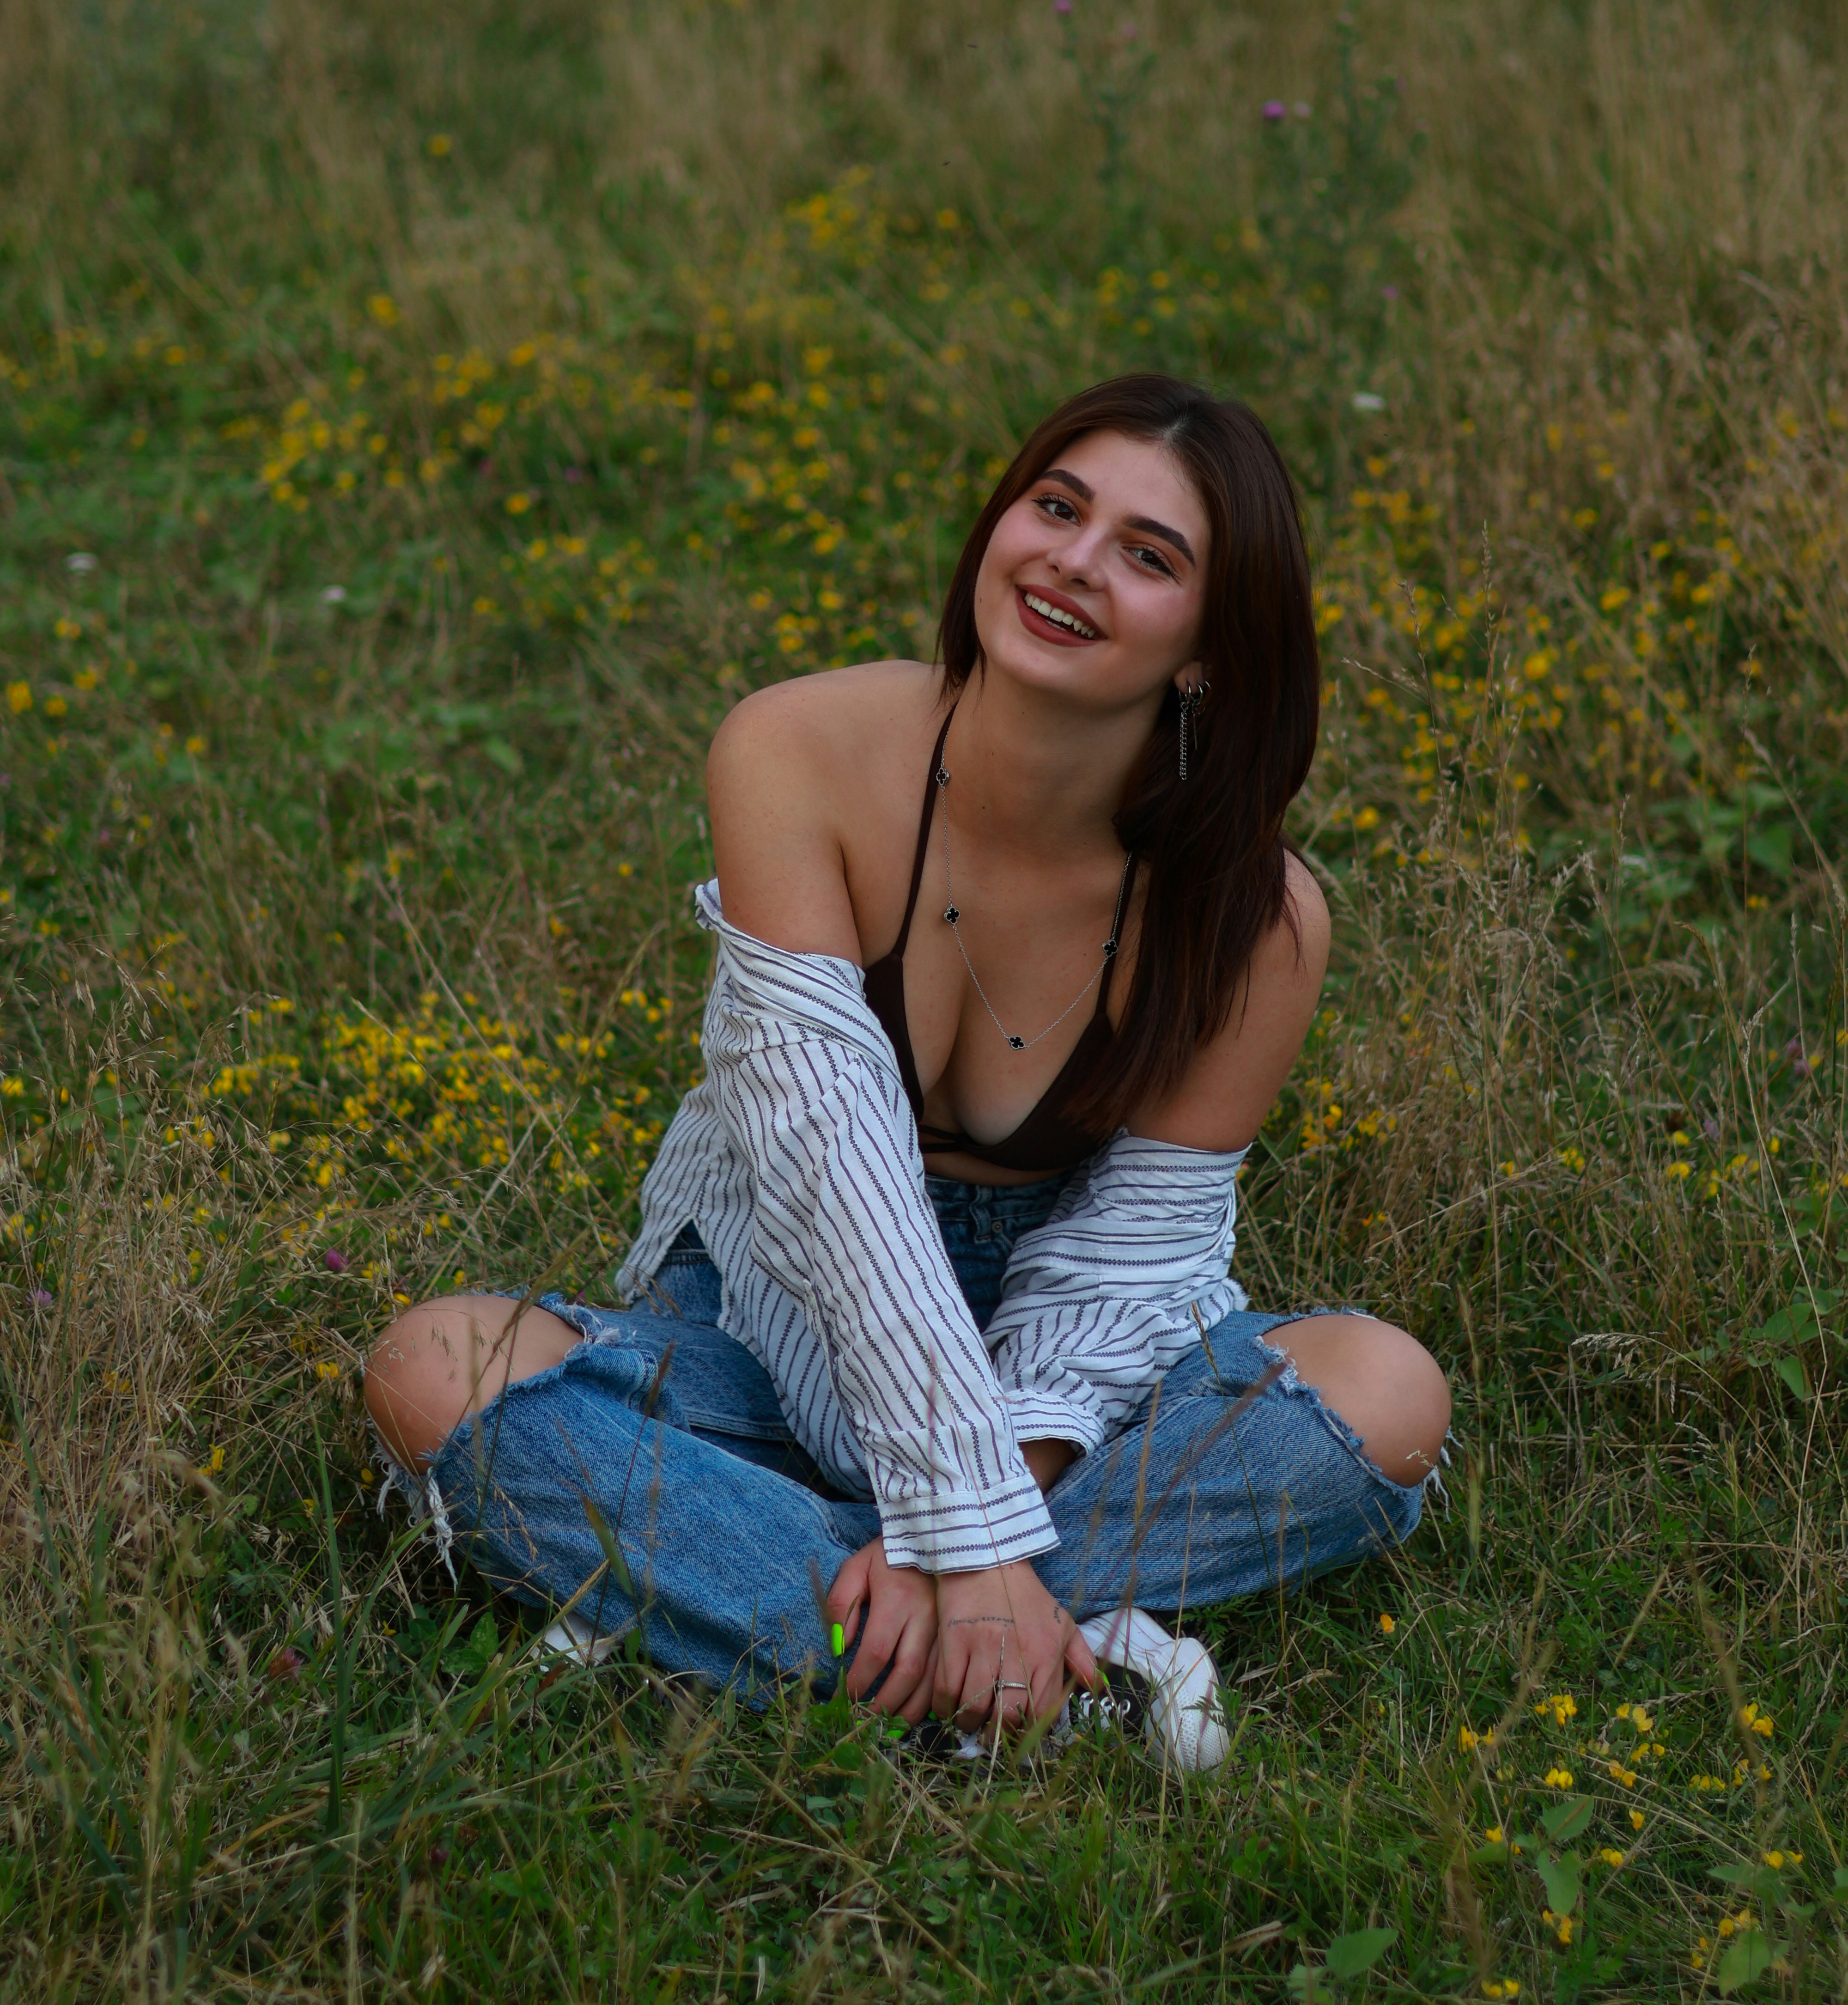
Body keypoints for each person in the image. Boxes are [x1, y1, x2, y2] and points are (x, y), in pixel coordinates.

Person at [365, 372, 1450, 1769]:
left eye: (1148, 553)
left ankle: (760, 1617)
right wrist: (960, 1526)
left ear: (1209, 652)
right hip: (774, 1312)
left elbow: (1136, 1250)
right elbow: (823, 1156)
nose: (1072, 560)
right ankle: (1052, 1658)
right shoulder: (798, 749)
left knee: (1385, 1394)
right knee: (434, 1367)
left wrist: (991, 1499)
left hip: (1070, 1379)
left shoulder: (1258, 914)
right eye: (1056, 507)